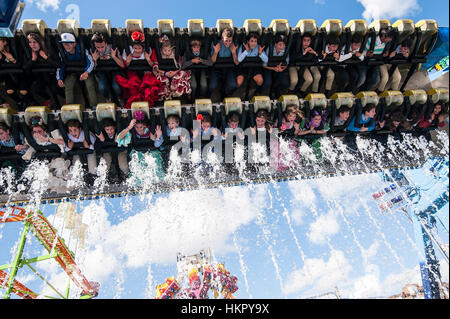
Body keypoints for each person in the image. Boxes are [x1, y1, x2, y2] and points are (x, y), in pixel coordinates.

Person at [115, 31, 162, 108]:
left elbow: (152, 64)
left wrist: (148, 59)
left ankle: (148, 104)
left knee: (148, 83)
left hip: (145, 72)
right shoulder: (127, 51)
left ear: (143, 48)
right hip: (133, 72)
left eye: (139, 48)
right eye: (135, 48)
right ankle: (136, 103)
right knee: (133, 84)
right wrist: (127, 61)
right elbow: (125, 66)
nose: (137, 50)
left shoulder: (148, 50)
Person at [116, 111, 165, 184]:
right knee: (138, 165)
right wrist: (129, 127)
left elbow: (157, 143)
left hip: (152, 151)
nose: (139, 129)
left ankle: (156, 182)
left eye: (141, 127)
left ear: (145, 126)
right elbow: (119, 138)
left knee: (154, 162)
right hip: (138, 151)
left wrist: (158, 136)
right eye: (136, 127)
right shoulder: (133, 132)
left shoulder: (150, 130)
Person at [56, 33, 98, 108]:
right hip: (72, 72)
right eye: (64, 44)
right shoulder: (62, 53)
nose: (66, 46)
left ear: (74, 44)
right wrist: (59, 78)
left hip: (85, 71)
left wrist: (86, 72)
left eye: (69, 44)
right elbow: (60, 67)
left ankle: (94, 106)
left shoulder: (82, 50)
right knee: (68, 84)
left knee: (89, 84)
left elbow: (90, 62)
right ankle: (69, 107)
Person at [23, 32, 62, 109]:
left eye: (35, 42)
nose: (32, 45)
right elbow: (25, 68)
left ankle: (61, 101)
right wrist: (33, 60)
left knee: (54, 88)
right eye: (30, 42)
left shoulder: (49, 50)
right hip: (40, 77)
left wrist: (46, 57)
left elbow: (58, 64)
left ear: (40, 42)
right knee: (37, 89)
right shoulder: (29, 53)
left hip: (52, 75)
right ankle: (48, 100)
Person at [153, 35, 192, 101]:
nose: (167, 52)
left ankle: (180, 95)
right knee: (159, 79)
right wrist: (165, 73)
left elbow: (180, 66)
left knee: (181, 75)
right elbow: (156, 67)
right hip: (163, 72)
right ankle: (166, 96)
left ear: (172, 49)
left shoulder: (175, 55)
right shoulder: (159, 55)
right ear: (161, 50)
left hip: (174, 71)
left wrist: (174, 72)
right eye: (165, 50)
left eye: (169, 50)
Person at [90, 32, 124, 105]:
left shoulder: (112, 48)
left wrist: (114, 56)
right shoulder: (94, 51)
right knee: (102, 87)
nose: (100, 50)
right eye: (98, 47)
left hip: (114, 70)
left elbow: (122, 65)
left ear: (106, 44)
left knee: (116, 86)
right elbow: (93, 69)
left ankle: (120, 98)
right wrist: (95, 60)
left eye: (102, 47)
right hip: (102, 72)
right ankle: (108, 98)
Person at [358, 27, 394, 92]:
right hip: (364, 62)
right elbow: (358, 51)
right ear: (383, 36)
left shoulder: (386, 44)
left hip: (375, 63)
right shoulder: (370, 40)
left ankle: (362, 91)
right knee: (361, 79)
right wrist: (366, 53)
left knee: (376, 80)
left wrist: (386, 54)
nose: (391, 40)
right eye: (390, 38)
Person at [0, 37, 31, 110]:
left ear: (5, 42)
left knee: (23, 91)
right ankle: (19, 102)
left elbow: (22, 65)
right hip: (9, 75)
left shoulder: (15, 48)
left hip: (21, 74)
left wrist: (12, 59)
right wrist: (3, 59)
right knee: (9, 91)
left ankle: (27, 101)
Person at [94, 118, 129, 182]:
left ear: (115, 128)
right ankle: (104, 180)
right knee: (105, 165)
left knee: (123, 165)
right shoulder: (102, 134)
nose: (110, 132)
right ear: (104, 129)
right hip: (107, 151)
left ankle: (126, 177)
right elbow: (96, 149)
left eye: (111, 129)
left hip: (120, 150)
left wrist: (119, 140)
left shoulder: (119, 132)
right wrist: (101, 141)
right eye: (107, 130)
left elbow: (128, 145)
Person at [209, 27, 239, 102]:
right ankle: (209, 95)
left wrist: (234, 52)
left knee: (232, 85)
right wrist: (215, 52)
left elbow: (236, 62)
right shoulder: (216, 44)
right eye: (226, 40)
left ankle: (225, 94)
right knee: (212, 86)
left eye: (230, 41)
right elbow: (212, 62)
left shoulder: (233, 45)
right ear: (222, 38)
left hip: (228, 68)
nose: (228, 43)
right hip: (217, 68)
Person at [236, 32, 268, 100]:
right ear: (248, 41)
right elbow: (239, 59)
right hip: (244, 68)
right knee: (239, 81)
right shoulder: (243, 47)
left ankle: (257, 92)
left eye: (255, 41)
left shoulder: (258, 47)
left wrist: (261, 53)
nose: (253, 43)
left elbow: (266, 60)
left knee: (260, 80)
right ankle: (238, 93)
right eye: (252, 41)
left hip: (255, 67)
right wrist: (246, 51)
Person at [288, 33, 320, 97]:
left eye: (308, 41)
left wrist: (314, 53)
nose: (306, 43)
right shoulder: (296, 46)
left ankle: (301, 92)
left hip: (303, 66)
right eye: (304, 40)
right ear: (301, 41)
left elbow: (316, 62)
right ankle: (290, 92)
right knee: (294, 80)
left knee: (309, 79)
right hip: (293, 66)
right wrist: (303, 53)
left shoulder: (311, 48)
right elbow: (292, 58)